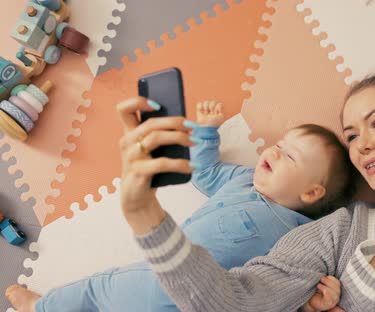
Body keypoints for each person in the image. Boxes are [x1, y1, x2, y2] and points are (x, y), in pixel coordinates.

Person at [10, 59, 375, 311]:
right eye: (352, 133)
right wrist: (144, 214)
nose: (362, 144)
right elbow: (229, 300)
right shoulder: (334, 234)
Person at [5, 101, 353, 312]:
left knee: (100, 290)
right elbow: (205, 173)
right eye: (278, 144)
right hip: (164, 275)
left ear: (311, 193)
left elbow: (275, 292)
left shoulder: (299, 234)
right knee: (102, 290)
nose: (273, 152)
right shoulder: (244, 179)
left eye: (289, 155)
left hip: (196, 294)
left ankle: (41, 307)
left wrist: (311, 303)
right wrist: (206, 134)